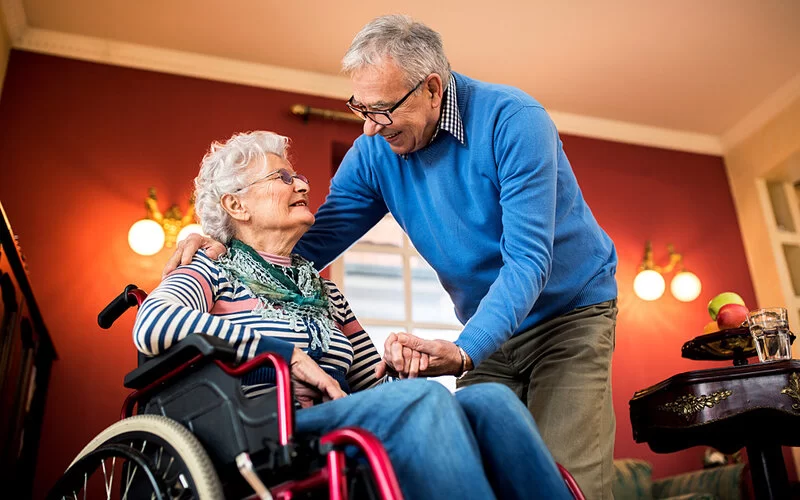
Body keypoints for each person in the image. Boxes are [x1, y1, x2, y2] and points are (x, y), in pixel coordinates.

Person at [168, 15, 618, 498]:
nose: (367, 127)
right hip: (487, 325)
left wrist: (464, 350)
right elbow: (307, 243)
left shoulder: (513, 121)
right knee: (483, 425)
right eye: (359, 107)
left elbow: (529, 260)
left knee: (574, 475)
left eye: (381, 109)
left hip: (567, 314)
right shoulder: (374, 151)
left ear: (431, 88)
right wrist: (219, 242)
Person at [138, 130, 571, 499]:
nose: (302, 185)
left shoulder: (322, 289)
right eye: (282, 177)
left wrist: (401, 365)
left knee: (491, 400)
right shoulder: (210, 269)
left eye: (299, 176)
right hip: (263, 433)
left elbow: (372, 386)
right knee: (423, 402)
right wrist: (280, 352)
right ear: (236, 206)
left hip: (331, 421)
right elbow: (152, 324)